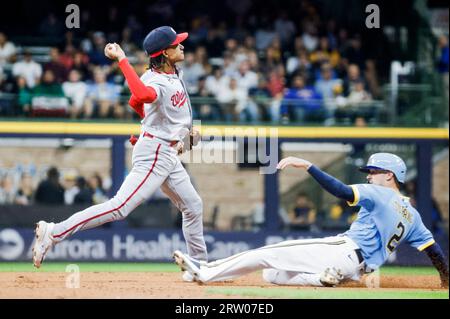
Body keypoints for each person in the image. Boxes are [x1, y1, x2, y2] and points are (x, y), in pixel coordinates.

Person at [32, 26, 208, 283]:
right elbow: (142, 95)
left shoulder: (169, 73)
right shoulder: (154, 80)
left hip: (165, 149)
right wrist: (123, 60)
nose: (182, 45)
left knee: (193, 206)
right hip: (156, 153)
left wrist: (157, 127)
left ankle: (200, 265)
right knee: (120, 208)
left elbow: (136, 104)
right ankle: (53, 232)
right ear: (165, 53)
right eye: (176, 44)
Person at [174, 153, 449, 288]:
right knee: (272, 274)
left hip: (344, 249)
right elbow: (434, 252)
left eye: (374, 171)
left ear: (390, 175)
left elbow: (341, 191)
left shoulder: (379, 192)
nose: (368, 176)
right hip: (357, 270)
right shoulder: (412, 214)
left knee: (267, 253)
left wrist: (307, 166)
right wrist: (446, 281)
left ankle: (205, 271)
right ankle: (322, 278)